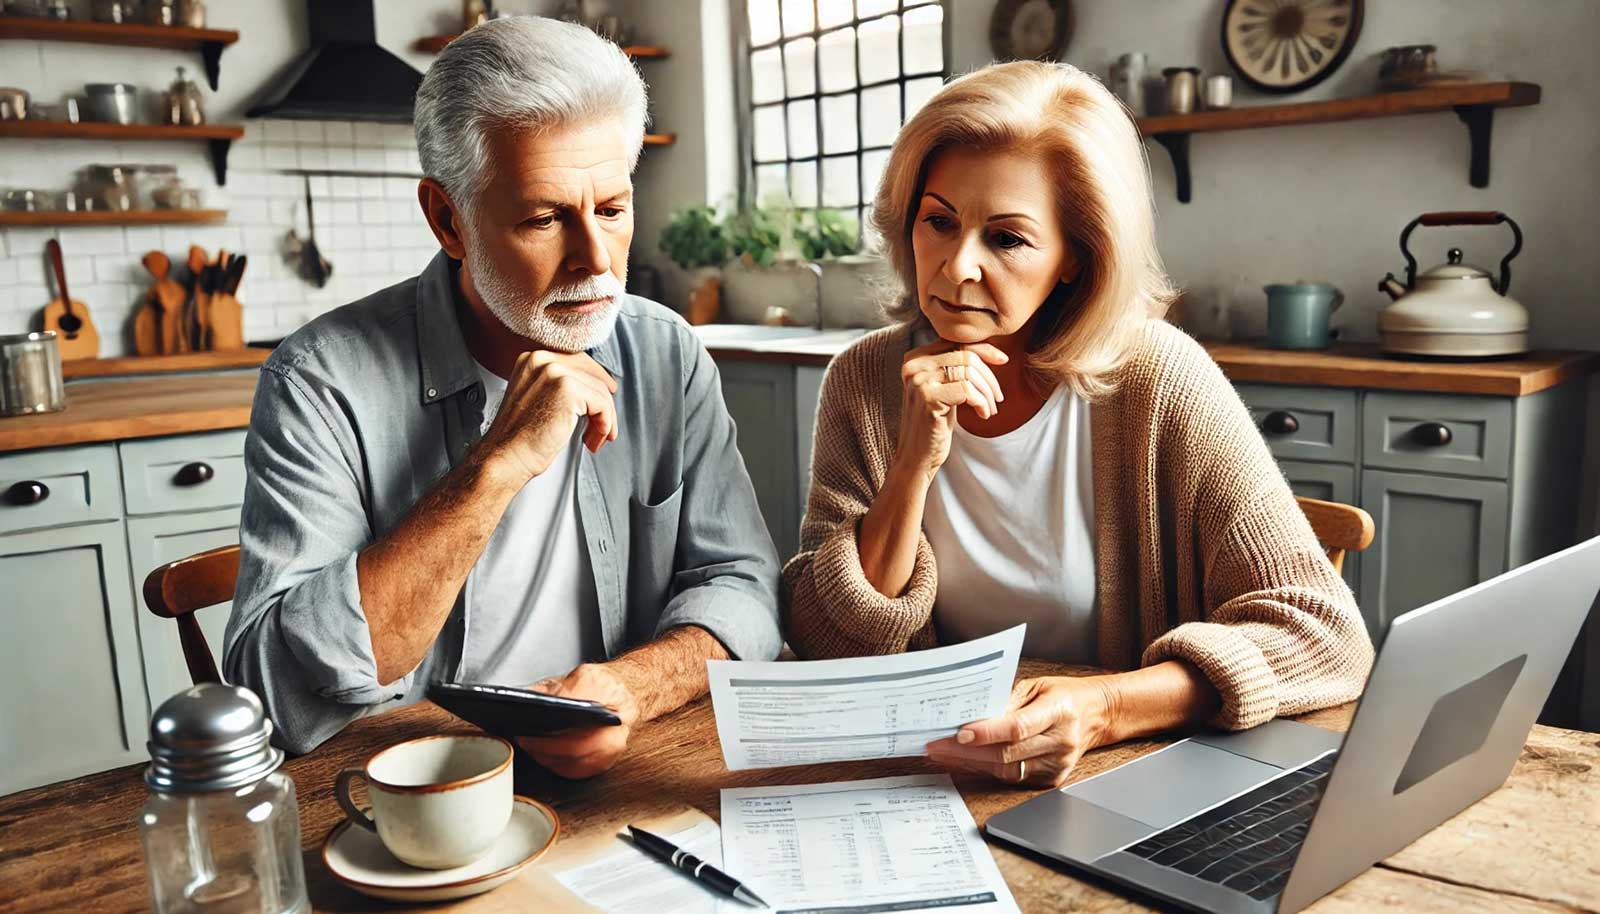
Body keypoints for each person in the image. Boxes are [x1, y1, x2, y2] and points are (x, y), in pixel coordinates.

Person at [782, 61, 1373, 788]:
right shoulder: (863, 382)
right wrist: (911, 468)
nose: (956, 266)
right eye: (939, 221)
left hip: (1133, 780)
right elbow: (822, 648)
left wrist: (1110, 707)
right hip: (933, 782)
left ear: (1075, 257)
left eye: (1007, 239)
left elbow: (1329, 637)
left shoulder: (1157, 378)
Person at [225, 17, 782, 772]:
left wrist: (629, 689)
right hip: (409, 785)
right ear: (447, 219)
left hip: (622, 765)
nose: (595, 260)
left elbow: (743, 587)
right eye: (544, 218)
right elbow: (273, 692)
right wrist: (495, 467)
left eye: (613, 209)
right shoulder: (319, 382)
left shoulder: (665, 352)